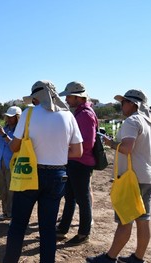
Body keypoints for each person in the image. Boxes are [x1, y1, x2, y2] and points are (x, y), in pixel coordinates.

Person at [0, 80, 83, 263]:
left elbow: (16, 145)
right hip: (57, 176)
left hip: (30, 173)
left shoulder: (28, 114)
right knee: (47, 229)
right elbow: (78, 152)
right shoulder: (68, 116)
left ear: (37, 98)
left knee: (18, 225)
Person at [86, 89, 151, 263]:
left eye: (124, 102)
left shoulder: (132, 121)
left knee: (125, 220)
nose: (121, 106)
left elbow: (126, 148)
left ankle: (110, 258)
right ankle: (137, 259)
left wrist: (110, 143)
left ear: (133, 104)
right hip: (149, 177)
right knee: (143, 219)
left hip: (132, 178)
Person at [56, 81, 98, 245]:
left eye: (69, 96)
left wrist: (66, 146)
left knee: (83, 199)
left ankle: (84, 233)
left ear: (77, 97)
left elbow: (87, 142)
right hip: (74, 160)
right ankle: (63, 229)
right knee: (70, 197)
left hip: (81, 162)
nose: (66, 99)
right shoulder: (79, 113)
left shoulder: (85, 114)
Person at [0, 106, 22, 219]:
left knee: (11, 190)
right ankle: (5, 212)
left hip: (12, 164)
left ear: (17, 118)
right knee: (2, 189)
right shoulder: (5, 128)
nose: (8, 118)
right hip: (0, 163)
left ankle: (11, 212)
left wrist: (3, 134)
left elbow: (15, 147)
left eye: (11, 117)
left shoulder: (19, 131)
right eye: (7, 116)